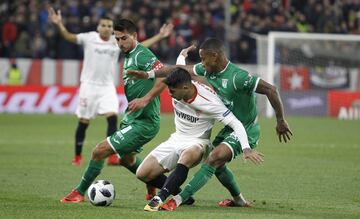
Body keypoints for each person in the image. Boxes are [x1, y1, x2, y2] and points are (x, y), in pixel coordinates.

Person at [127, 38, 292, 210]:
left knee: (212, 159)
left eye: (203, 58)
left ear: (214, 56)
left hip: (245, 127)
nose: (201, 62)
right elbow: (180, 69)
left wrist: (280, 120)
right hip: (229, 126)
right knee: (218, 166)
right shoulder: (208, 70)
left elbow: (271, 89)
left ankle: (177, 199)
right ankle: (239, 200)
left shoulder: (238, 77)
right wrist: (148, 75)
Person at [59, 18, 174, 203]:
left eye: (124, 38)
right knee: (126, 160)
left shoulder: (141, 55)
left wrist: (146, 99)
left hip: (145, 122)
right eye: (117, 39)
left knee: (99, 151)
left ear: (134, 36)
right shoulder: (129, 55)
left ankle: (79, 193)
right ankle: (167, 186)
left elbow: (165, 74)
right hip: (133, 118)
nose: (120, 43)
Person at [47, 7, 173, 166]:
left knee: (112, 116)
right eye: (103, 25)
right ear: (98, 27)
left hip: (107, 86)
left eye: (108, 26)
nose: (106, 28)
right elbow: (68, 37)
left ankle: (113, 155)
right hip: (88, 85)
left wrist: (160, 36)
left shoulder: (118, 43)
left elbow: (139, 46)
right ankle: (77, 156)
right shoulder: (89, 38)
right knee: (84, 121)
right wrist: (59, 24)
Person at [137, 66, 262, 211]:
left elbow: (236, 123)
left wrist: (246, 148)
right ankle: (183, 195)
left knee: (188, 156)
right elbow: (179, 67)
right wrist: (182, 55)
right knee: (142, 173)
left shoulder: (210, 102)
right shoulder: (181, 84)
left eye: (172, 91)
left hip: (198, 143)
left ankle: (160, 198)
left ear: (185, 87)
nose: (169, 94)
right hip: (177, 138)